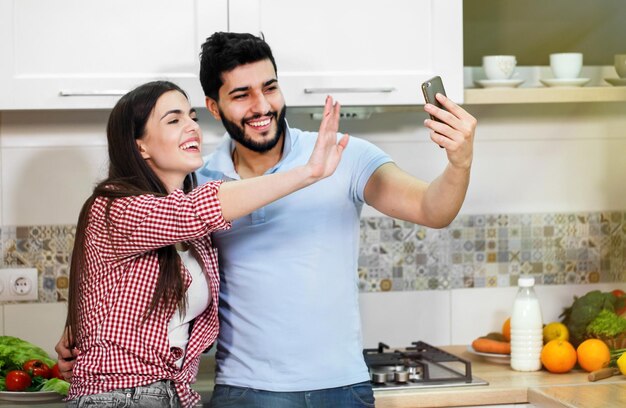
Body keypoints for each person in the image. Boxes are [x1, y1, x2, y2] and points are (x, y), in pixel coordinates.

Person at [58, 32, 477, 407]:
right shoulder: (194, 183)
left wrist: (460, 162)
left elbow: (432, 209)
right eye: (241, 94)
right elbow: (119, 253)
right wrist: (79, 330)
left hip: (342, 386)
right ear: (214, 106)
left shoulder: (343, 153)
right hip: (244, 391)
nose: (261, 106)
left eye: (270, 88)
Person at [60, 80, 348, 408]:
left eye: (192, 116)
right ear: (140, 146)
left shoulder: (194, 234)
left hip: (175, 394)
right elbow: (200, 208)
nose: (192, 127)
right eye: (174, 119)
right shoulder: (114, 207)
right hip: (119, 395)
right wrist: (307, 172)